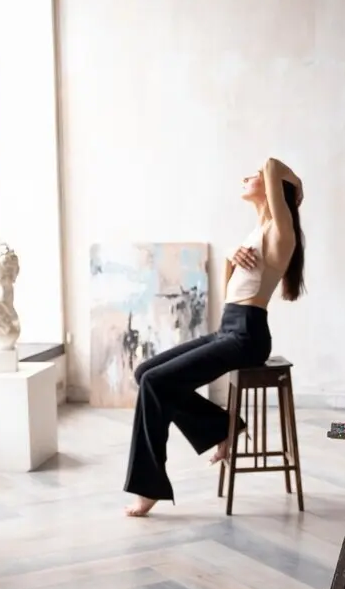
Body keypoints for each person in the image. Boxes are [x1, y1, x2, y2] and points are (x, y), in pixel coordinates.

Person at [123, 157, 305, 517]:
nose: (247, 176)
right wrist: (228, 260)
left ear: (275, 189)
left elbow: (272, 164)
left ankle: (150, 487)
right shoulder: (258, 231)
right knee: (146, 372)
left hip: (249, 335)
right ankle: (223, 426)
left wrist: (295, 189)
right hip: (230, 326)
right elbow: (231, 296)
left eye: (253, 177)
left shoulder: (281, 232)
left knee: (157, 382)